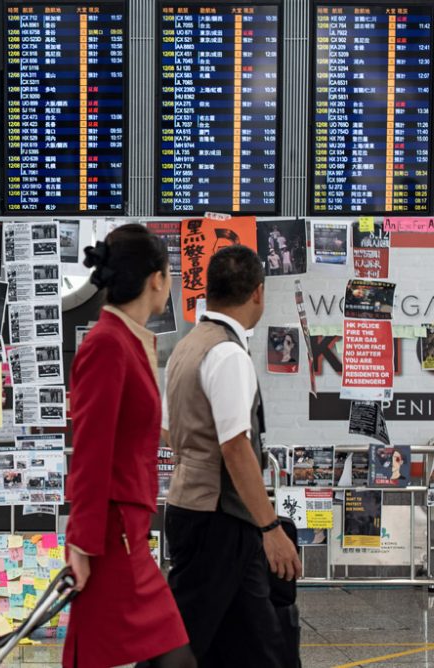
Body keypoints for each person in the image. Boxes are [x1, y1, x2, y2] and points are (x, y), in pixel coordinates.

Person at [163, 244, 301, 667]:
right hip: (219, 519)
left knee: (253, 642)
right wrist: (271, 527)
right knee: (181, 640)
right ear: (258, 293)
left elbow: (170, 433)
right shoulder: (227, 354)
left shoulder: (186, 348)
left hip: (195, 509)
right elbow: (236, 447)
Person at [64, 224, 193, 668]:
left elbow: (124, 429)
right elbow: (90, 447)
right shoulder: (108, 344)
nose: (170, 283)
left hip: (128, 529)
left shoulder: (131, 341)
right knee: (166, 655)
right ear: (156, 278)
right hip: (110, 535)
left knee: (158, 654)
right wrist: (79, 543)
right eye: (169, 273)